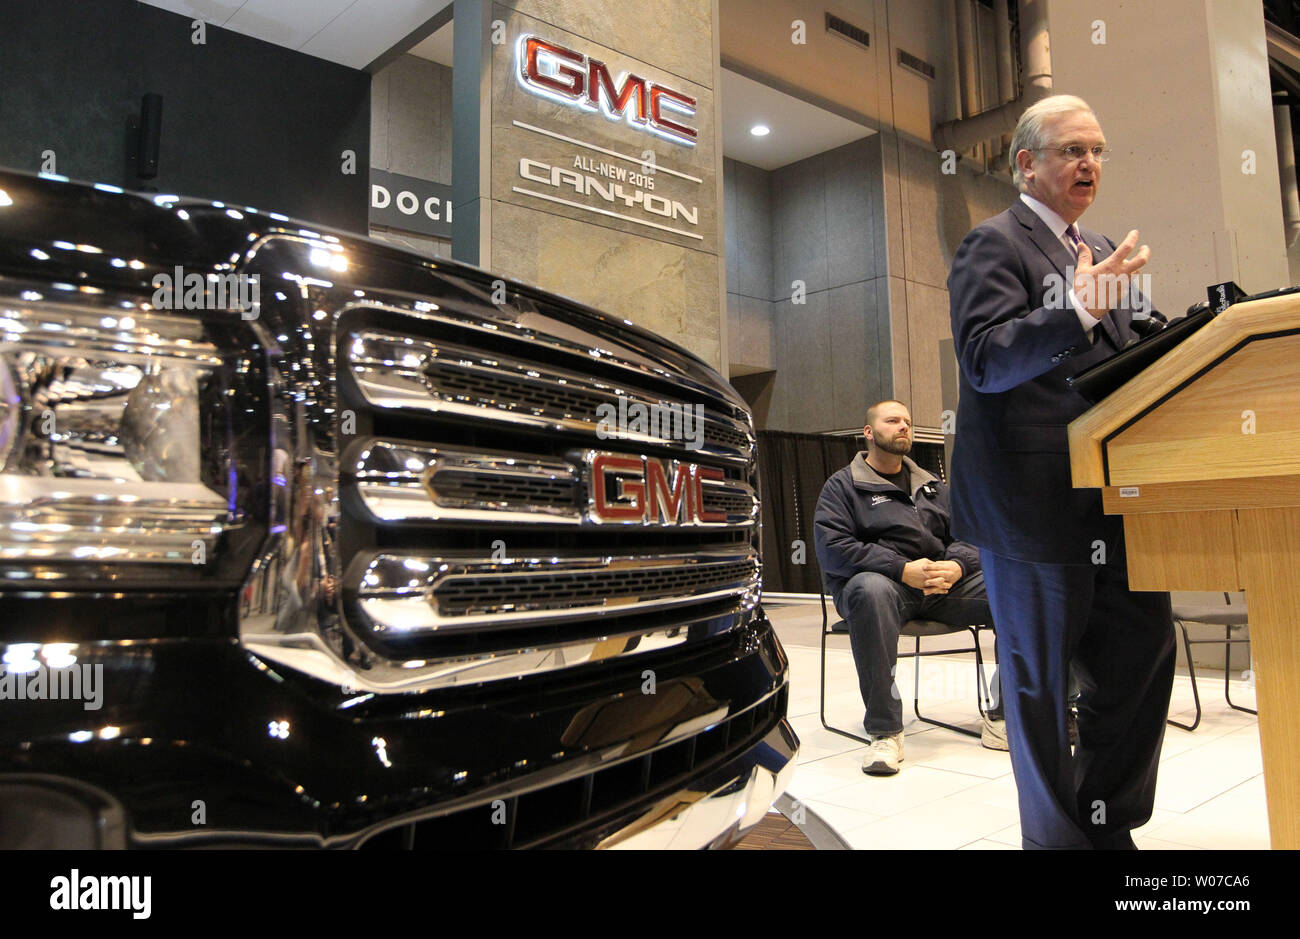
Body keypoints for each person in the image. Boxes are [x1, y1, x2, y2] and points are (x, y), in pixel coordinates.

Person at [946, 94, 1176, 849]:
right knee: (1040, 685)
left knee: (1142, 651)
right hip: (1032, 506)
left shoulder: (1101, 248)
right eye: (1073, 150)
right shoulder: (993, 243)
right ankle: (1055, 841)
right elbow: (985, 359)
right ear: (1026, 164)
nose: (1090, 163)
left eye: (1099, 150)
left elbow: (1138, 344)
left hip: (1111, 496)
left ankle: (1104, 816)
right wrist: (1073, 311)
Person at [814, 400, 1004, 776]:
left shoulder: (933, 486)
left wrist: (956, 565)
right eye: (892, 420)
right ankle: (885, 732)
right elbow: (833, 549)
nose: (903, 426)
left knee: (1015, 591)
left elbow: (968, 537)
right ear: (869, 432)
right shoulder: (842, 486)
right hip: (883, 588)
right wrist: (901, 569)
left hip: (940, 588)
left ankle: (1004, 717)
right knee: (870, 590)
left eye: (907, 421)